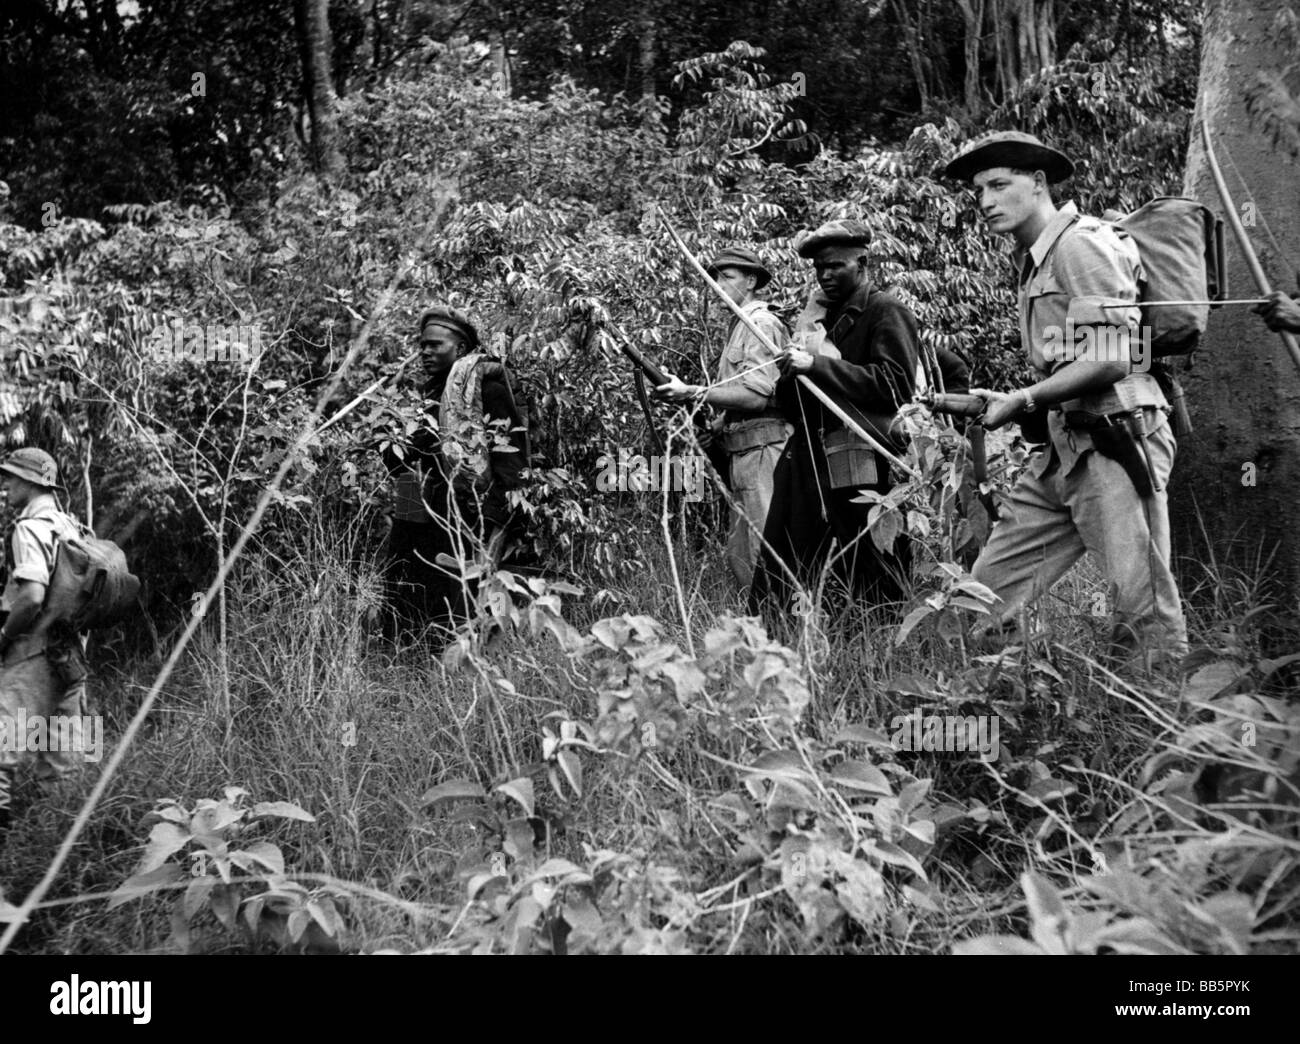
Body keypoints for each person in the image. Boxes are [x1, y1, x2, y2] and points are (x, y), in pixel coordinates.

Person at [942, 130, 1187, 665]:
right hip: (1065, 445)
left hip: (1117, 438)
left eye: (999, 185)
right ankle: (1021, 707)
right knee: (984, 597)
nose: (985, 201)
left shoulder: (1081, 244)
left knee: (1140, 604)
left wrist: (1024, 399)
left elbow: (1111, 358)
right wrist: (1005, 400)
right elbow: (1069, 360)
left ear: (1038, 183)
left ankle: (1162, 730)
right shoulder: (1035, 259)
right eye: (978, 190)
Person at [753, 219, 920, 617]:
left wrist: (816, 365)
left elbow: (896, 386)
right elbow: (793, 399)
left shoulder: (885, 311)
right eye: (819, 268)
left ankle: (877, 644)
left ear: (862, 263)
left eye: (836, 266)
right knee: (788, 553)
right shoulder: (816, 320)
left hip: (862, 454)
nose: (825, 275)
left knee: (871, 558)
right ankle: (781, 641)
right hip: (809, 455)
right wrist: (794, 367)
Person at [380, 305, 527, 638]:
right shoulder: (421, 396)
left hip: (467, 509)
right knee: (403, 581)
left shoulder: (487, 388)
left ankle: (485, 657)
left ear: (460, 348)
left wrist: (495, 526)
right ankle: (401, 654)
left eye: (436, 345)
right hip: (418, 502)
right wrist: (388, 404)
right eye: (423, 345)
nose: (425, 352)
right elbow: (396, 463)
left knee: (471, 595)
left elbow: (513, 465)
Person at [653, 247, 792, 591]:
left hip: (765, 452)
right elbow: (740, 399)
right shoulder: (740, 325)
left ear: (751, 281)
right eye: (716, 277)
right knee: (740, 556)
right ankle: (761, 632)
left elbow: (757, 397)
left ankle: (788, 632)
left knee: (767, 554)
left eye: (727, 277)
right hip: (743, 454)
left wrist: (692, 391)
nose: (718, 285)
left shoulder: (760, 323)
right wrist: (716, 427)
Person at [0, 448, 88, 842]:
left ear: (34, 482)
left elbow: (33, 595)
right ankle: (56, 861)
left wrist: (4, 637)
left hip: (32, 654)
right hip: (70, 658)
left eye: (11, 477)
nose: (5, 485)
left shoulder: (29, 528)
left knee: (3, 753)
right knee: (64, 763)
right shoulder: (74, 527)